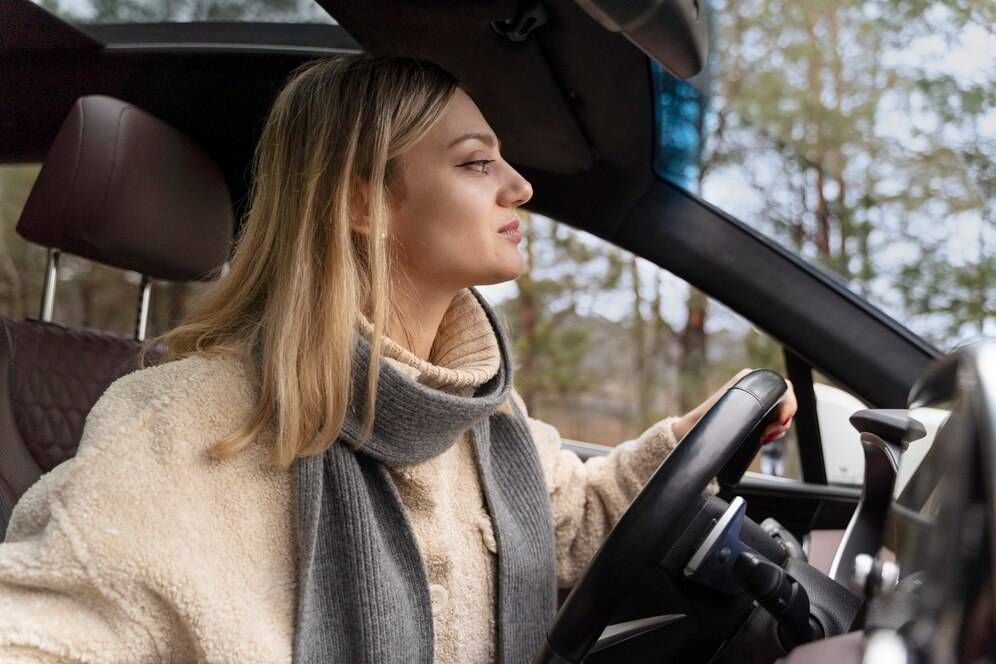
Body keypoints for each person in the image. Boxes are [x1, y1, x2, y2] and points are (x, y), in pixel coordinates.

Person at [0, 55, 796, 663]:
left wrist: (688, 439)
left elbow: (574, 527)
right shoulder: (182, 424)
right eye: (477, 162)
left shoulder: (484, 414)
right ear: (362, 201)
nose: (519, 185)